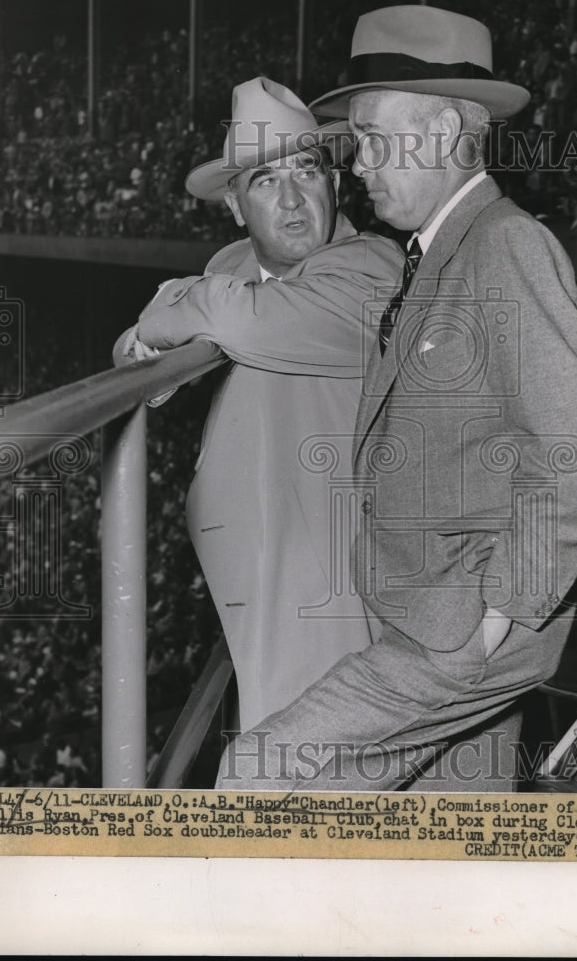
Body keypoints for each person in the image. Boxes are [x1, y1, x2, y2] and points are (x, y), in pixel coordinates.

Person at [213, 6, 577, 791]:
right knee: (453, 822)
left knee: (257, 773)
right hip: (435, 608)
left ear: (438, 133)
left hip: (463, 623)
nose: (356, 165)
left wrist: (501, 611)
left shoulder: (503, 245)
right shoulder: (438, 250)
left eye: (369, 137)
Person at [115, 77, 405, 731]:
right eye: (265, 181)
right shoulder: (233, 267)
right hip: (258, 571)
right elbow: (134, 358)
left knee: (301, 780)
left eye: (306, 171)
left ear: (334, 184)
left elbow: (232, 321)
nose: (294, 198)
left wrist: (176, 306)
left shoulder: (372, 266)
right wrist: (162, 328)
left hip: (335, 587)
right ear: (236, 207)